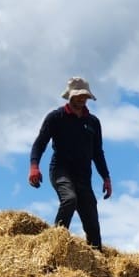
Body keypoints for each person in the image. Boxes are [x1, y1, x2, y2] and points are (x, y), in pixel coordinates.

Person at [28, 76, 112, 249]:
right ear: (70, 96)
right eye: (78, 96)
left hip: (83, 177)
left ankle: (97, 263)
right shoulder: (56, 117)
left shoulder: (93, 123)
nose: (82, 99)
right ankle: (54, 244)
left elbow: (98, 152)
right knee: (70, 199)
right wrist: (34, 167)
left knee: (93, 224)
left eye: (85, 96)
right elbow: (40, 143)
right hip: (61, 170)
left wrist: (106, 177)